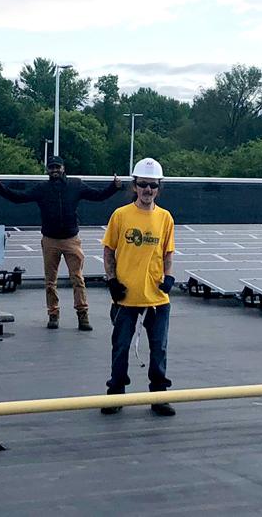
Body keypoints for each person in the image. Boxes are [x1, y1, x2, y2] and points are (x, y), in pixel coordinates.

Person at [0, 156, 122, 330]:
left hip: (71, 240)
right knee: (50, 281)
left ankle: (82, 315)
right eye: (51, 167)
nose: (54, 170)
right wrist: (0, 189)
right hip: (50, 240)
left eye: (57, 167)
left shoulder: (76, 185)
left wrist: (114, 187)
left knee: (78, 279)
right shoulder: (42, 188)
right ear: (48, 170)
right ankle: (53, 314)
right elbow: (19, 198)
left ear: (63, 168)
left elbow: (97, 196)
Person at [100, 157, 176, 417]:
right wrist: (111, 281)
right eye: (143, 185)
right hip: (126, 297)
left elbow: (167, 252)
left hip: (156, 297)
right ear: (134, 186)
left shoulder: (165, 218)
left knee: (159, 348)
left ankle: (158, 395)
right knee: (120, 346)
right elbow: (109, 251)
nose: (147, 190)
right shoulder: (120, 216)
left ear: (159, 188)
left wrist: (169, 276)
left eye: (152, 186)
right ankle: (116, 393)